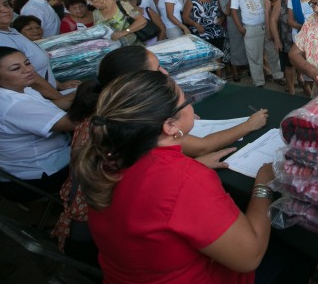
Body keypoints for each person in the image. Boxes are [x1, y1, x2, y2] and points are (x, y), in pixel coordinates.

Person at [52, 45, 267, 263]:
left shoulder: (115, 142)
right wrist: (263, 186)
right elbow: (249, 257)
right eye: (187, 101)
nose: (165, 72)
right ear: (170, 125)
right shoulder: (181, 179)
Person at [0, 47, 75, 202]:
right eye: (16, 68)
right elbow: (69, 124)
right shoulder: (11, 104)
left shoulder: (22, 89)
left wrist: (80, 94)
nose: (28, 70)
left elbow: (51, 107)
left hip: (44, 164)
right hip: (39, 176)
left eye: (27, 63)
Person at [0, 0, 76, 98]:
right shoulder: (2, 39)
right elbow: (29, 76)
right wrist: (60, 99)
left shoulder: (12, 31)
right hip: (38, 100)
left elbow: (41, 69)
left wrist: (59, 85)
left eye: (5, 4)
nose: (4, 9)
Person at [231, 0, 284, 88]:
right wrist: (240, 28)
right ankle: (259, 82)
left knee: (273, 53)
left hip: (267, 25)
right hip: (251, 28)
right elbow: (233, 11)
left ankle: (278, 75)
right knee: (255, 57)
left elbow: (270, 5)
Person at [182, 0, 229, 67]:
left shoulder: (214, 0)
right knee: (205, 56)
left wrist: (221, 19)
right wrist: (196, 25)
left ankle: (219, 75)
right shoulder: (191, 1)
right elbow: (185, 18)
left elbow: (222, 14)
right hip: (200, 31)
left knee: (218, 53)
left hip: (216, 31)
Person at [80, 0, 146, 45]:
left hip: (134, 48)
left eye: (91, 0)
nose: (91, 4)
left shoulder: (123, 4)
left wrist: (124, 32)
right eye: (88, 1)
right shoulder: (96, 13)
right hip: (114, 53)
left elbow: (141, 21)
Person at [267, 0, 295, 93]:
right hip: (286, 38)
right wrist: (277, 40)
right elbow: (272, 19)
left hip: (302, 38)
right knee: (288, 66)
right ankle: (291, 90)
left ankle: (304, 85)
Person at [220, 0, 247, 82]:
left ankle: (249, 69)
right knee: (234, 49)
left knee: (247, 47)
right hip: (232, 27)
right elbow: (226, 12)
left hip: (245, 23)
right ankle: (235, 72)